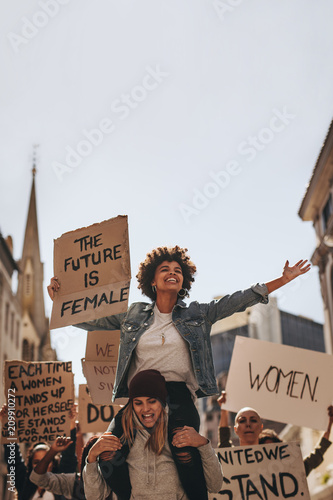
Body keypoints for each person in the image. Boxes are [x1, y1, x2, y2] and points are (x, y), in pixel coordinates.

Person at [48, 245, 310, 499]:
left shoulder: (197, 313)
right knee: (107, 448)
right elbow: (93, 320)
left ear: (183, 279)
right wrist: (59, 300)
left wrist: (282, 280)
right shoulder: (134, 314)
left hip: (177, 393)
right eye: (165, 268)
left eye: (178, 269)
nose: (172, 272)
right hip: (140, 396)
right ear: (152, 279)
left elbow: (236, 302)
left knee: (182, 448)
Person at [82, 369, 223, 500]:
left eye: (152, 401)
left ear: (162, 401)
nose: (145, 409)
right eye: (138, 403)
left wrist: (204, 444)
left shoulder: (180, 433)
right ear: (132, 405)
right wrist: (92, 457)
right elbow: (95, 496)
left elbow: (215, 485)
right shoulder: (124, 438)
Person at [0, 404, 77, 500]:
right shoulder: (24, 484)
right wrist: (7, 423)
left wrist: (71, 423)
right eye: (37, 462)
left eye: (47, 460)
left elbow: (68, 457)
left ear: (53, 464)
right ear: (31, 464)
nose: (42, 465)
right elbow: (13, 458)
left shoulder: (62, 484)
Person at [30, 436, 114, 500]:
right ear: (85, 461)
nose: (97, 467)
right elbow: (37, 478)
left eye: (103, 460)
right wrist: (53, 450)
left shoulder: (120, 480)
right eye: (93, 461)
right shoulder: (74, 482)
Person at [259, 405, 333, 477]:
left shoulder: (295, 472)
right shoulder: (254, 480)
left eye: (272, 450)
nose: (270, 455)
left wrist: (329, 421)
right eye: (265, 451)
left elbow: (318, 452)